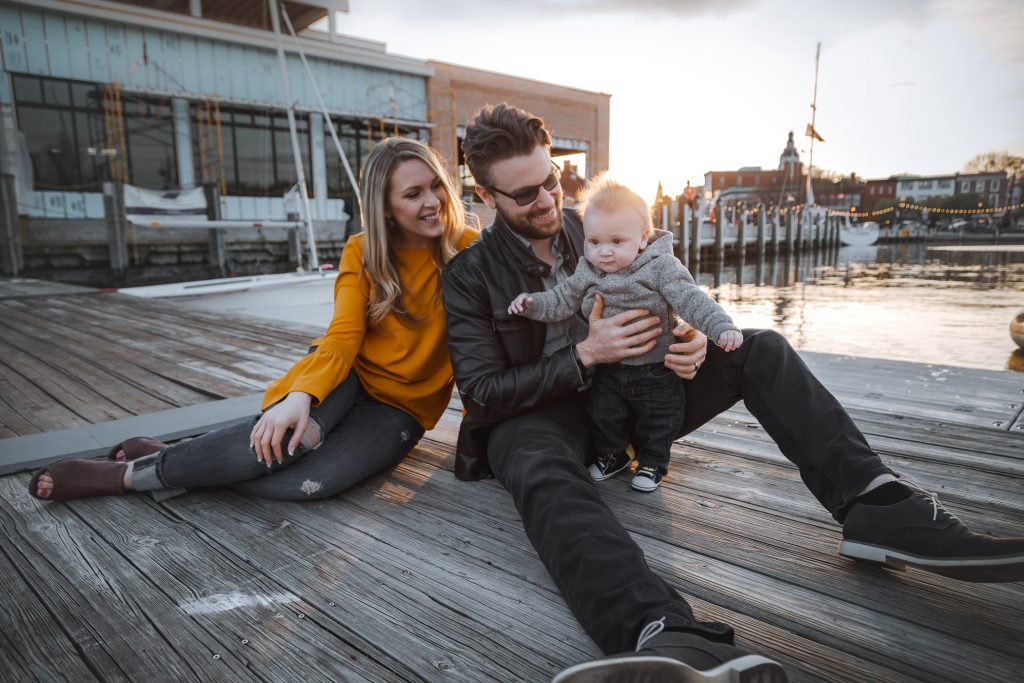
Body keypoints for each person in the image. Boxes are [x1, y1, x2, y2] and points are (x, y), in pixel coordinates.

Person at [441, 102, 1024, 683]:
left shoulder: (595, 222)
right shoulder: (469, 276)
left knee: (759, 347)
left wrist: (689, 338)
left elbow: (673, 291)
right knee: (531, 457)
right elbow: (485, 393)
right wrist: (587, 353)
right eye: (525, 195)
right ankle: (661, 632)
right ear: (486, 197)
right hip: (539, 418)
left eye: (552, 180)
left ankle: (877, 506)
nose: (547, 199)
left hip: (635, 394)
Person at [29, 137, 477, 503]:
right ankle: (126, 477)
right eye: (413, 193)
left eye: (435, 185)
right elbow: (341, 338)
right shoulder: (363, 251)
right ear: (385, 207)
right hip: (345, 376)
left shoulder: (472, 252)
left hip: (402, 409)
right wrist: (301, 395)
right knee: (283, 443)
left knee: (309, 482)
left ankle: (178, 459)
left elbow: (481, 353)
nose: (432, 201)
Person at [507, 174, 742, 492]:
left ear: (643, 238)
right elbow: (561, 300)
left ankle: (653, 461)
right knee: (603, 413)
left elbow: (692, 299)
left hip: (656, 368)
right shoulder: (587, 271)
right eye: (594, 242)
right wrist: (532, 304)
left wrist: (721, 327)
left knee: (661, 417)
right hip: (609, 367)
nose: (604, 252)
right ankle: (612, 455)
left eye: (616, 242)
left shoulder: (660, 267)